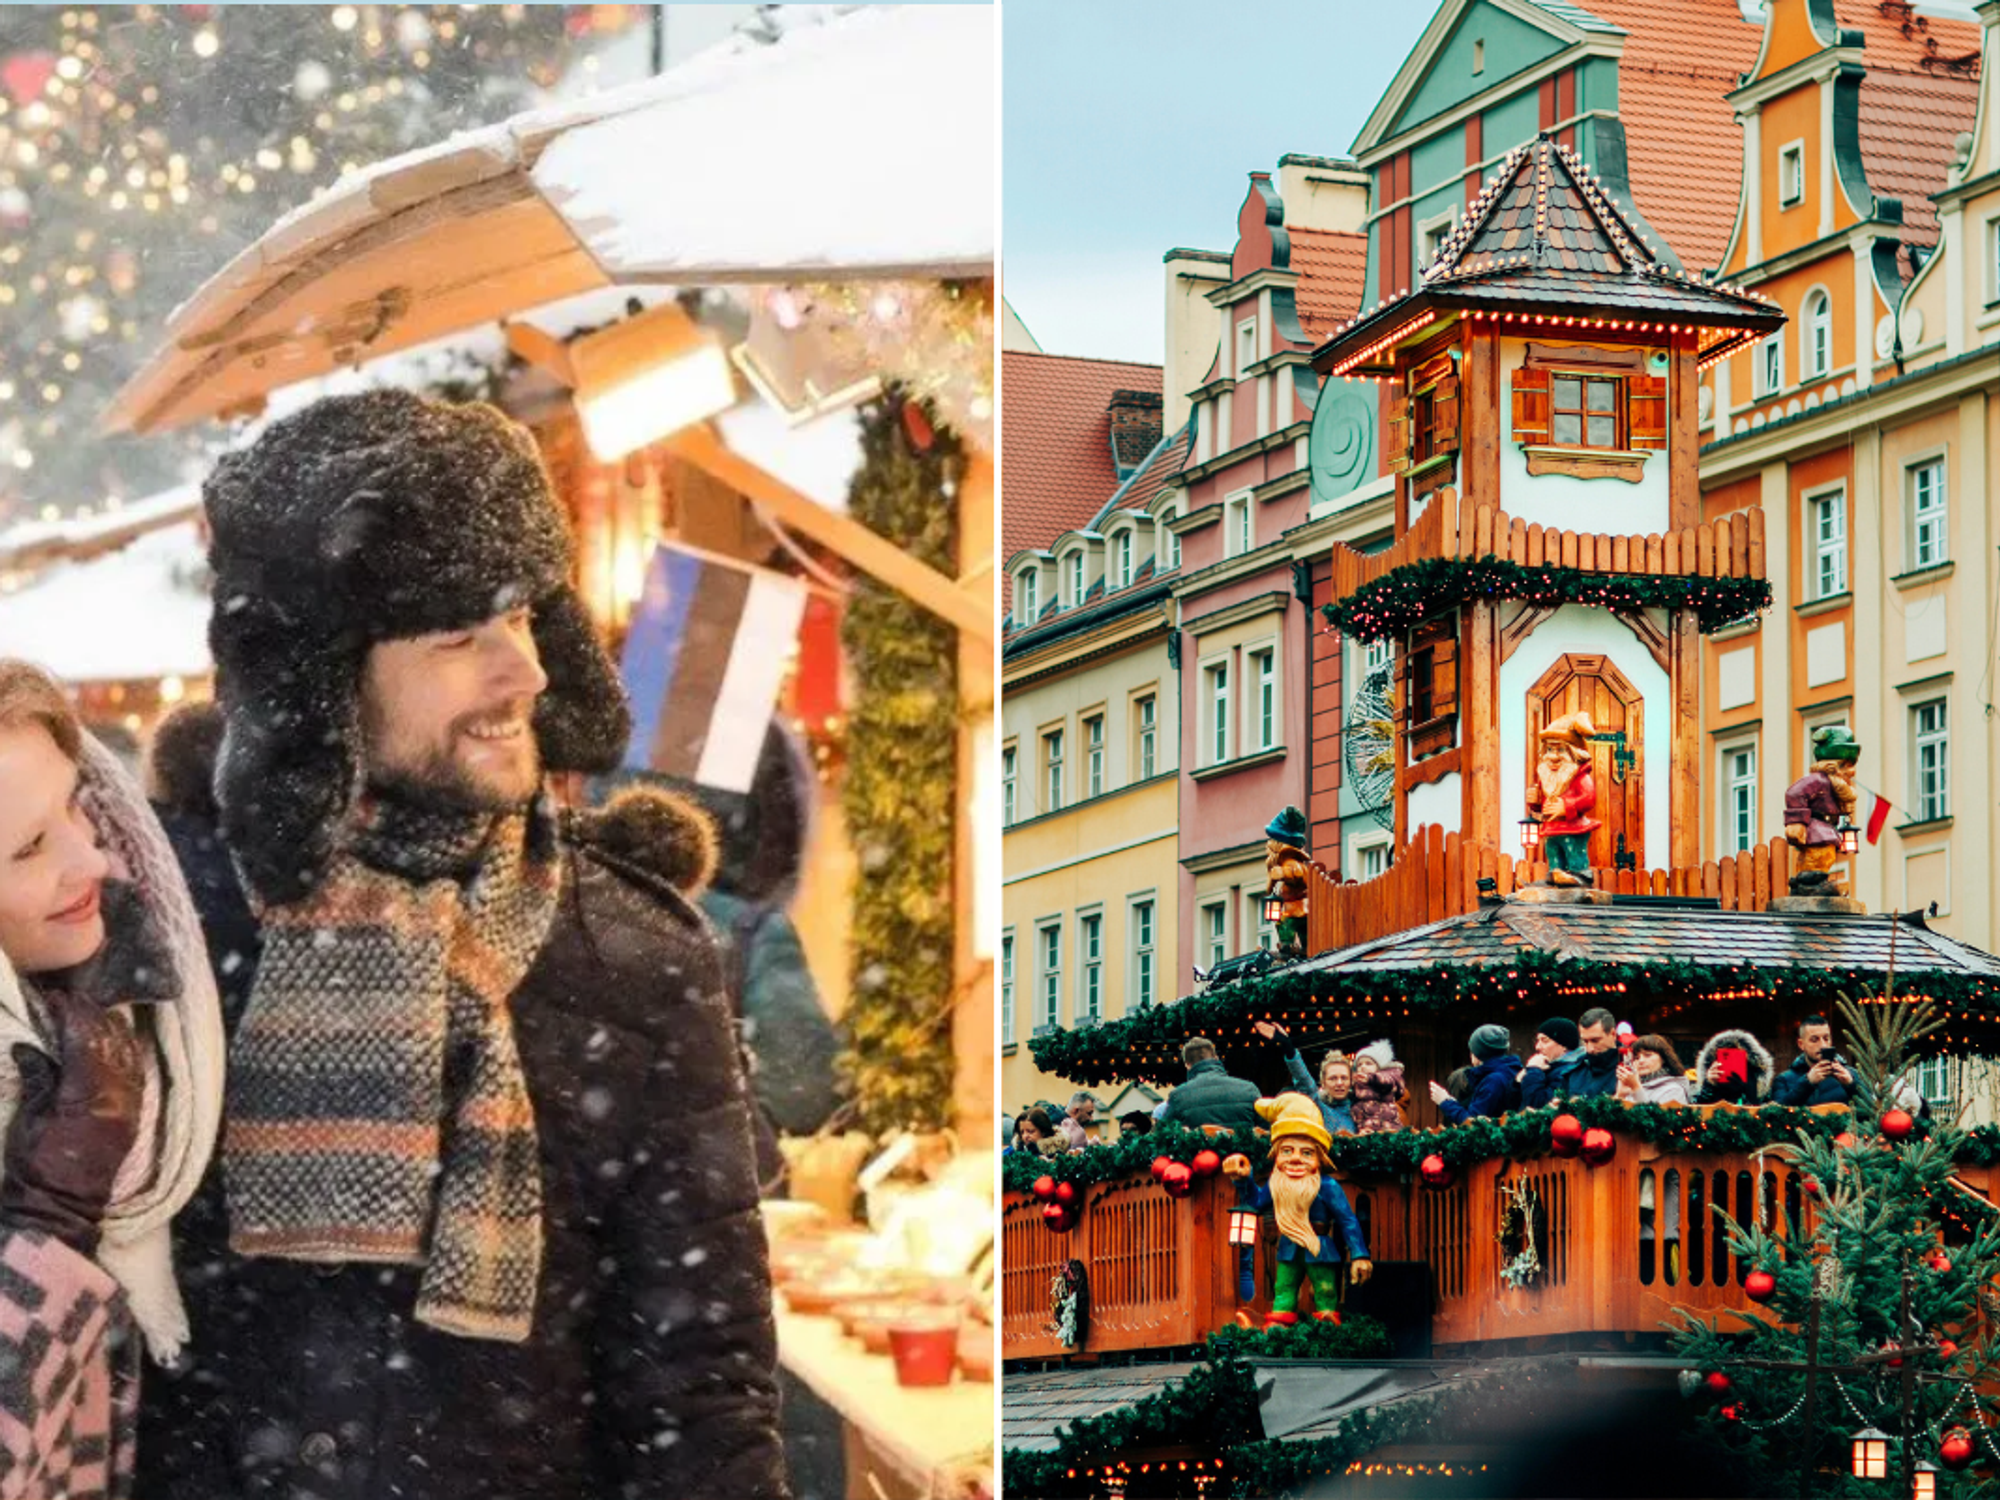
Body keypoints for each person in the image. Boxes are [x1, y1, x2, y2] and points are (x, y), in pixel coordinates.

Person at [139, 392, 787, 1500]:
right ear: (323, 679)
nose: (522, 672)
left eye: (526, 620)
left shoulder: (632, 958)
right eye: (458, 638)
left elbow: (697, 1392)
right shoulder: (169, 930)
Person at [0, 662, 225, 1499]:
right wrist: (49, 1227)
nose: (91, 856)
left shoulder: (134, 1024)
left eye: (74, 807)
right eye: (28, 846)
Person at [1219, 1094, 1371, 1326]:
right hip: (1289, 1247)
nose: (1296, 1159)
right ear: (1277, 1156)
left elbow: (1347, 1220)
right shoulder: (1276, 1183)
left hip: (1319, 1247)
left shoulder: (1327, 1186)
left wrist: (1360, 1255)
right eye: (1287, 1151)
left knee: (1326, 1289)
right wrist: (1243, 1179)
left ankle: (1326, 1329)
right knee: (1284, 1289)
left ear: (1319, 1159)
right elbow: (1254, 1204)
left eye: (1306, 1153)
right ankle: (1279, 1329)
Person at [1784, 726, 1860, 895]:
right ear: (1834, 765)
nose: (1851, 772)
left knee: (1824, 857)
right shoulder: (1819, 780)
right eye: (1847, 766)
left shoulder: (1834, 784)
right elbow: (1794, 793)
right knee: (1821, 856)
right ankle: (1810, 886)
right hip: (1817, 830)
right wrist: (1797, 822)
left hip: (1825, 829)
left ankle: (1809, 884)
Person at [1529, 712, 1602, 888]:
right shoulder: (1547, 777)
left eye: (1560, 750)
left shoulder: (1579, 777)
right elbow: (1542, 806)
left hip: (1573, 829)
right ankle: (1555, 880)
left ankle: (1579, 878)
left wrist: (1566, 806)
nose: (1553, 756)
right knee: (1553, 855)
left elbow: (1589, 799)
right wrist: (1534, 802)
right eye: (1549, 750)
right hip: (1551, 829)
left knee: (1574, 854)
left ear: (1574, 753)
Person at [1254, 1021, 1355, 1134]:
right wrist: (1288, 1047)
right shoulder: (1319, 1109)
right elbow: (1305, 1083)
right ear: (1323, 1083)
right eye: (1333, 1078)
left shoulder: (1361, 1111)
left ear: (1351, 1081)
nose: (1339, 1083)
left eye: (1344, 1078)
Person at [1157, 1036, 1263, 1134]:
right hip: (1243, 1153)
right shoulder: (1249, 1089)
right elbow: (1267, 1131)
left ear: (1187, 1065)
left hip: (1200, 1153)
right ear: (1216, 1058)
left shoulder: (1178, 1096)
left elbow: (1162, 1136)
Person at [1521, 1009, 1620, 1107]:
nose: (1589, 1048)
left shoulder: (1630, 1066)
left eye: (1595, 1041)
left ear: (1613, 1034)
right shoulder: (1573, 1072)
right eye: (1585, 1041)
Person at [1429, 1024, 1521, 1124]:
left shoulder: (1493, 1081)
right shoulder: (1511, 1071)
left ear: (1478, 1054)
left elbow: (1474, 1124)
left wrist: (1445, 1102)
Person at [1772, 1014, 1855, 1107]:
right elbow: (1777, 1114)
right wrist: (1807, 1083)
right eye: (1814, 1040)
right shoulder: (1784, 1080)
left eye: (1826, 1039)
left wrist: (1851, 1085)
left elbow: (1869, 1112)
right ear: (1801, 1044)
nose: (1823, 1045)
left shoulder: (1850, 1075)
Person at [1692, 1029, 1775, 1105]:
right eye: (1725, 1056)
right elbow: (1696, 1111)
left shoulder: (1755, 1078)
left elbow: (1763, 1112)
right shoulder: (1711, 1080)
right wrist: (1708, 1085)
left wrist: (1747, 1093)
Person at [1349, 1040, 1408, 1133]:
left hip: (1388, 1129)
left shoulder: (1385, 1079)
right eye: (1359, 1064)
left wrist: (1371, 1078)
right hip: (1366, 1129)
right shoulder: (1355, 1085)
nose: (1363, 1067)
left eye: (1368, 1063)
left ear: (1378, 1067)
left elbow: (1388, 1081)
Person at [1616, 1034, 1692, 1105]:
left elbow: (1652, 1118)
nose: (1641, 1061)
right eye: (1637, 1058)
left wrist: (1637, 1089)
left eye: (1647, 1055)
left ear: (1663, 1059)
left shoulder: (1674, 1090)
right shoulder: (1632, 1088)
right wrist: (1620, 1095)